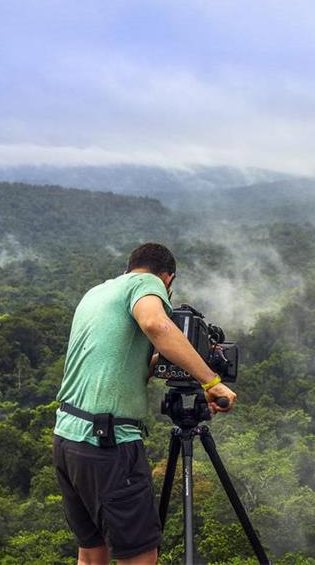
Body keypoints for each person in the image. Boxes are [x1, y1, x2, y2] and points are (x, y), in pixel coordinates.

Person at [52, 242, 237, 565]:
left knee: (93, 555)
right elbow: (154, 324)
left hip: (68, 439)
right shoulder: (147, 283)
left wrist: (163, 361)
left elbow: (114, 359)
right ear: (168, 278)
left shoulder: (97, 292)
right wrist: (211, 381)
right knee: (139, 558)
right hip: (107, 444)